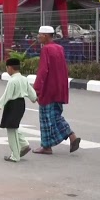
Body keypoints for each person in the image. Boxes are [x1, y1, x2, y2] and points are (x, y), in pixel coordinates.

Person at [32, 25, 81, 154]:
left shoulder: (46, 50)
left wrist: (36, 89)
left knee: (46, 118)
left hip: (48, 88)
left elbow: (43, 71)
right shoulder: (59, 48)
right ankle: (72, 136)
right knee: (56, 115)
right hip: (59, 87)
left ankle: (46, 146)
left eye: (40, 34)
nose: (38, 36)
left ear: (47, 36)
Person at [0, 58, 37, 163]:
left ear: (10, 68)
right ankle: (24, 144)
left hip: (12, 105)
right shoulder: (24, 79)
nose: (7, 70)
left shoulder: (12, 81)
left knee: (11, 130)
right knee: (13, 127)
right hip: (21, 104)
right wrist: (34, 99)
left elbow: (6, 96)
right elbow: (31, 93)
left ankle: (15, 156)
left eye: (7, 68)